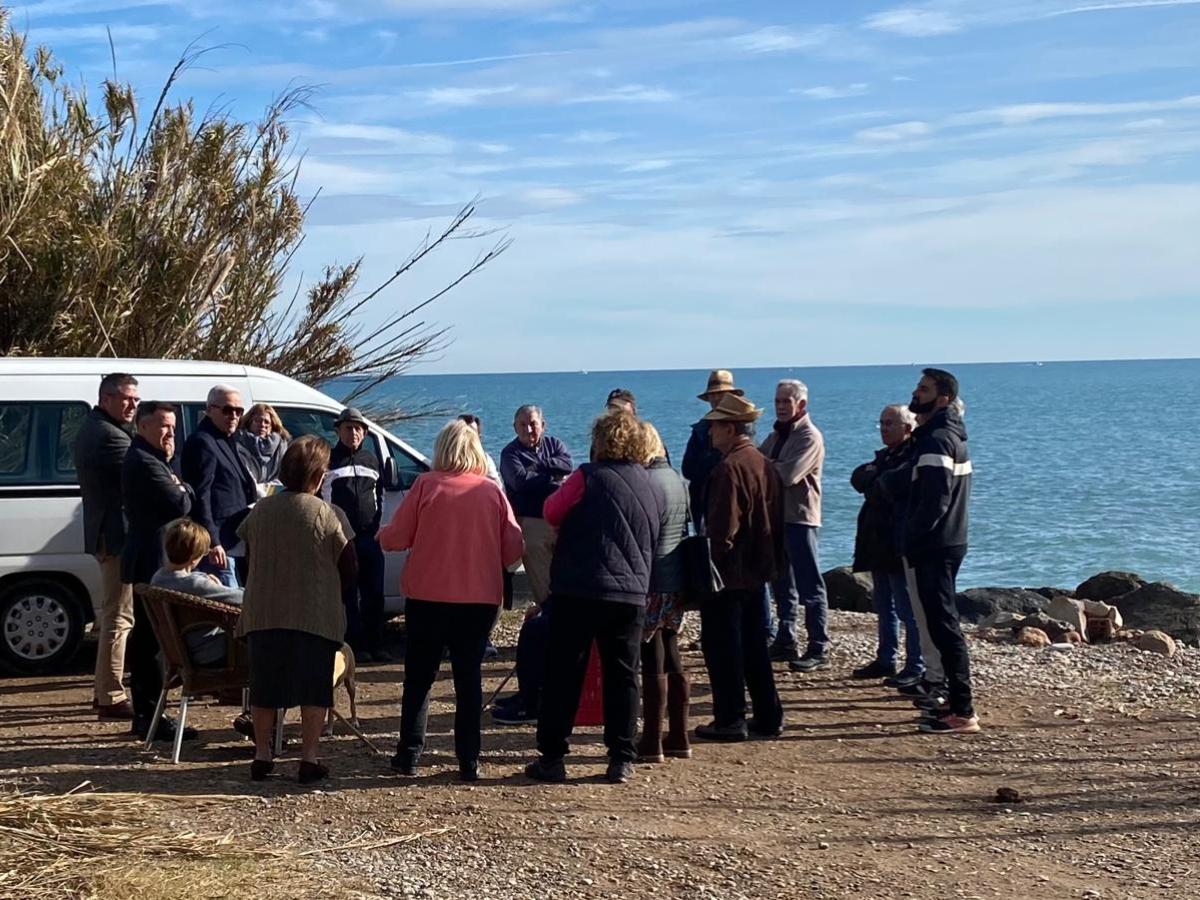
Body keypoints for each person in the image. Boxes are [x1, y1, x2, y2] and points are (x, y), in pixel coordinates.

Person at [377, 420, 524, 781]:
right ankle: (468, 759)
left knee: (420, 678)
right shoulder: (491, 492)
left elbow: (396, 537)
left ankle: (409, 753)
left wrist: (381, 535)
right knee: (468, 679)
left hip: (427, 596)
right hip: (477, 600)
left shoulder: (426, 485)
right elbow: (513, 549)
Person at [525, 410, 666, 785]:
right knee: (623, 675)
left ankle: (553, 755)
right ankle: (621, 756)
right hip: (631, 590)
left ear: (600, 441)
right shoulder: (652, 484)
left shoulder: (586, 477)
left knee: (564, 673)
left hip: (581, 586)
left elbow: (551, 511)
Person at [236, 436, 356, 783]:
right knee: (314, 685)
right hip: (313, 611)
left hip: (264, 609)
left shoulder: (261, 510)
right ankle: (308, 756)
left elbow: (245, 557)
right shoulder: (329, 513)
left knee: (264, 684)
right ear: (318, 476)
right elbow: (350, 566)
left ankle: (262, 753)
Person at [886, 368, 978, 735]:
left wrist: (912, 537)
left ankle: (963, 710)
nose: (915, 392)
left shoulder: (938, 440)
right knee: (941, 625)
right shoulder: (940, 436)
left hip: (936, 546)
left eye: (923, 389)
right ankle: (955, 704)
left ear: (942, 399)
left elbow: (935, 500)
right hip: (944, 542)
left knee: (944, 627)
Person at [695, 393, 786, 742]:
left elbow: (721, 530)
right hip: (757, 569)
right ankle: (768, 714)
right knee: (752, 646)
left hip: (730, 574)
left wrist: (707, 572)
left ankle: (730, 717)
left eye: (714, 425)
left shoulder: (729, 468)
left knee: (722, 647)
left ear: (730, 428)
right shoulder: (762, 462)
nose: (709, 432)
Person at [121, 401, 196, 742]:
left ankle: (151, 712)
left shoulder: (158, 459)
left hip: (157, 554)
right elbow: (179, 502)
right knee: (150, 639)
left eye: (174, 428)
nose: (171, 434)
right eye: (164, 426)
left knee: (155, 638)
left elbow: (185, 491)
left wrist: (181, 485)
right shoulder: (142, 460)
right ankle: (147, 714)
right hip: (150, 558)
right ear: (144, 426)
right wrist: (180, 487)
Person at [74, 372, 138, 720]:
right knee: (119, 616)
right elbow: (140, 473)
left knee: (114, 613)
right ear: (106, 398)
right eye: (127, 398)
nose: (132, 405)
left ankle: (104, 690)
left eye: (136, 400)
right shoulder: (110, 437)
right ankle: (111, 693)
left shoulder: (94, 428)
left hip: (106, 532)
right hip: (116, 535)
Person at [849, 404, 923, 684]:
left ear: (907, 428)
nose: (883, 428)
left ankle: (915, 664)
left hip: (897, 542)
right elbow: (859, 477)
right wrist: (876, 481)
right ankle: (886, 658)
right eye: (881, 423)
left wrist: (877, 482)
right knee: (883, 604)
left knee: (906, 607)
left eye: (889, 423)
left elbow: (891, 487)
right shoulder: (885, 457)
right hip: (876, 542)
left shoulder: (910, 457)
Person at [758, 379, 828, 668]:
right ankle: (786, 639)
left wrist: (768, 466)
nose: (781, 407)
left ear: (801, 404)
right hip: (777, 518)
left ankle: (818, 646)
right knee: (782, 583)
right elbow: (757, 463)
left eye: (786, 401)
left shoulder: (809, 436)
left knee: (810, 584)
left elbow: (788, 475)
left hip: (801, 519)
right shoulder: (777, 436)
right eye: (777, 401)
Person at [636, 422, 692, 764]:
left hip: (652, 577)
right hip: (676, 577)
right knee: (671, 647)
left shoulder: (648, 483)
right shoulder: (677, 480)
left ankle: (653, 737)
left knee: (650, 653)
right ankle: (680, 733)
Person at [322, 407, 390, 662]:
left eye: (358, 428)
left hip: (369, 538)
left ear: (365, 433)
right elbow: (322, 500)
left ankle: (377, 644)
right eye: (348, 428)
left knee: (375, 595)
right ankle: (354, 647)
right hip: (341, 540)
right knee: (348, 596)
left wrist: (376, 526)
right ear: (338, 430)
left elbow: (380, 495)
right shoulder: (328, 460)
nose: (354, 433)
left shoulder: (372, 460)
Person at [181, 384, 257, 588]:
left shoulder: (226, 438)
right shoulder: (203, 442)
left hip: (235, 539)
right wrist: (213, 541)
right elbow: (201, 496)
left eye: (238, 411)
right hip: (219, 544)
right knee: (227, 608)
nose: (233, 416)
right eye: (227, 410)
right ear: (210, 409)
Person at [499, 405, 573, 609]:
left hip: (560, 521)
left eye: (533, 424)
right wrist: (553, 477)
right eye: (523, 425)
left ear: (543, 425)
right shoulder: (509, 453)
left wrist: (537, 466)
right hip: (532, 522)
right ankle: (549, 619)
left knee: (567, 575)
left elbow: (567, 465)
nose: (528, 430)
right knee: (542, 581)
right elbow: (520, 482)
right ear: (515, 427)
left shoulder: (554, 444)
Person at [150, 517, 243, 668]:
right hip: (210, 652)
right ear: (194, 557)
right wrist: (216, 584)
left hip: (177, 652)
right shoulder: (195, 584)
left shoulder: (158, 578)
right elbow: (240, 598)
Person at [681, 369, 743, 532]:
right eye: (713, 395)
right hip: (702, 503)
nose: (716, 399)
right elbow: (687, 469)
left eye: (721, 394)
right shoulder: (700, 429)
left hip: (729, 501)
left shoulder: (744, 427)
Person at [235, 403, 290, 495]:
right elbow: (247, 480)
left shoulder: (282, 448)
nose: (262, 425)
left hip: (273, 500)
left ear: (272, 425)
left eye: (266, 422)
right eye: (257, 421)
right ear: (249, 422)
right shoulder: (239, 445)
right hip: (248, 499)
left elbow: (283, 477)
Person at [457, 414, 502, 487]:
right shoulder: (443, 460)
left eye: (471, 433)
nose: (465, 437)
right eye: (462, 432)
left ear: (479, 438)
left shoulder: (486, 461)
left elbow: (497, 488)